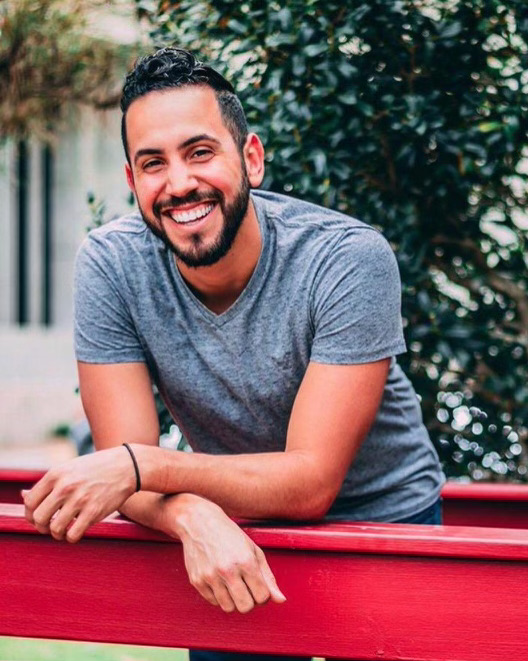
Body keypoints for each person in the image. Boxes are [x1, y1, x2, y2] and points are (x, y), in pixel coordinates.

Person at [23, 47, 444, 641]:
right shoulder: (111, 265)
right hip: (226, 528)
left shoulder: (347, 258)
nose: (180, 183)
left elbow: (310, 482)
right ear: (131, 181)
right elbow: (121, 473)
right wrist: (187, 511)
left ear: (251, 159)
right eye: (152, 163)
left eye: (200, 153)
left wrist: (144, 469)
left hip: (384, 524)